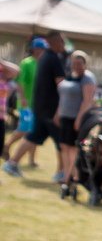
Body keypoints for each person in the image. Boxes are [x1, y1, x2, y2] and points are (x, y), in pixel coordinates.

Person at [6, 30, 66, 180]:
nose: (63, 44)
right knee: (61, 140)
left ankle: (12, 163)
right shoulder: (52, 59)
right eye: (61, 41)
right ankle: (62, 172)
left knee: (33, 136)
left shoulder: (44, 58)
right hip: (49, 109)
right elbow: (61, 85)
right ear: (54, 42)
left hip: (40, 107)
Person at [54, 49, 99, 198]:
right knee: (64, 146)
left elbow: (87, 101)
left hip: (76, 118)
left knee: (73, 148)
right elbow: (63, 97)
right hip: (65, 117)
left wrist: (79, 119)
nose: (76, 66)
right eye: (74, 63)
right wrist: (58, 113)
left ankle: (68, 178)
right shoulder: (70, 76)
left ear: (85, 64)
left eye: (79, 63)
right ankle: (70, 174)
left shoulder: (87, 79)